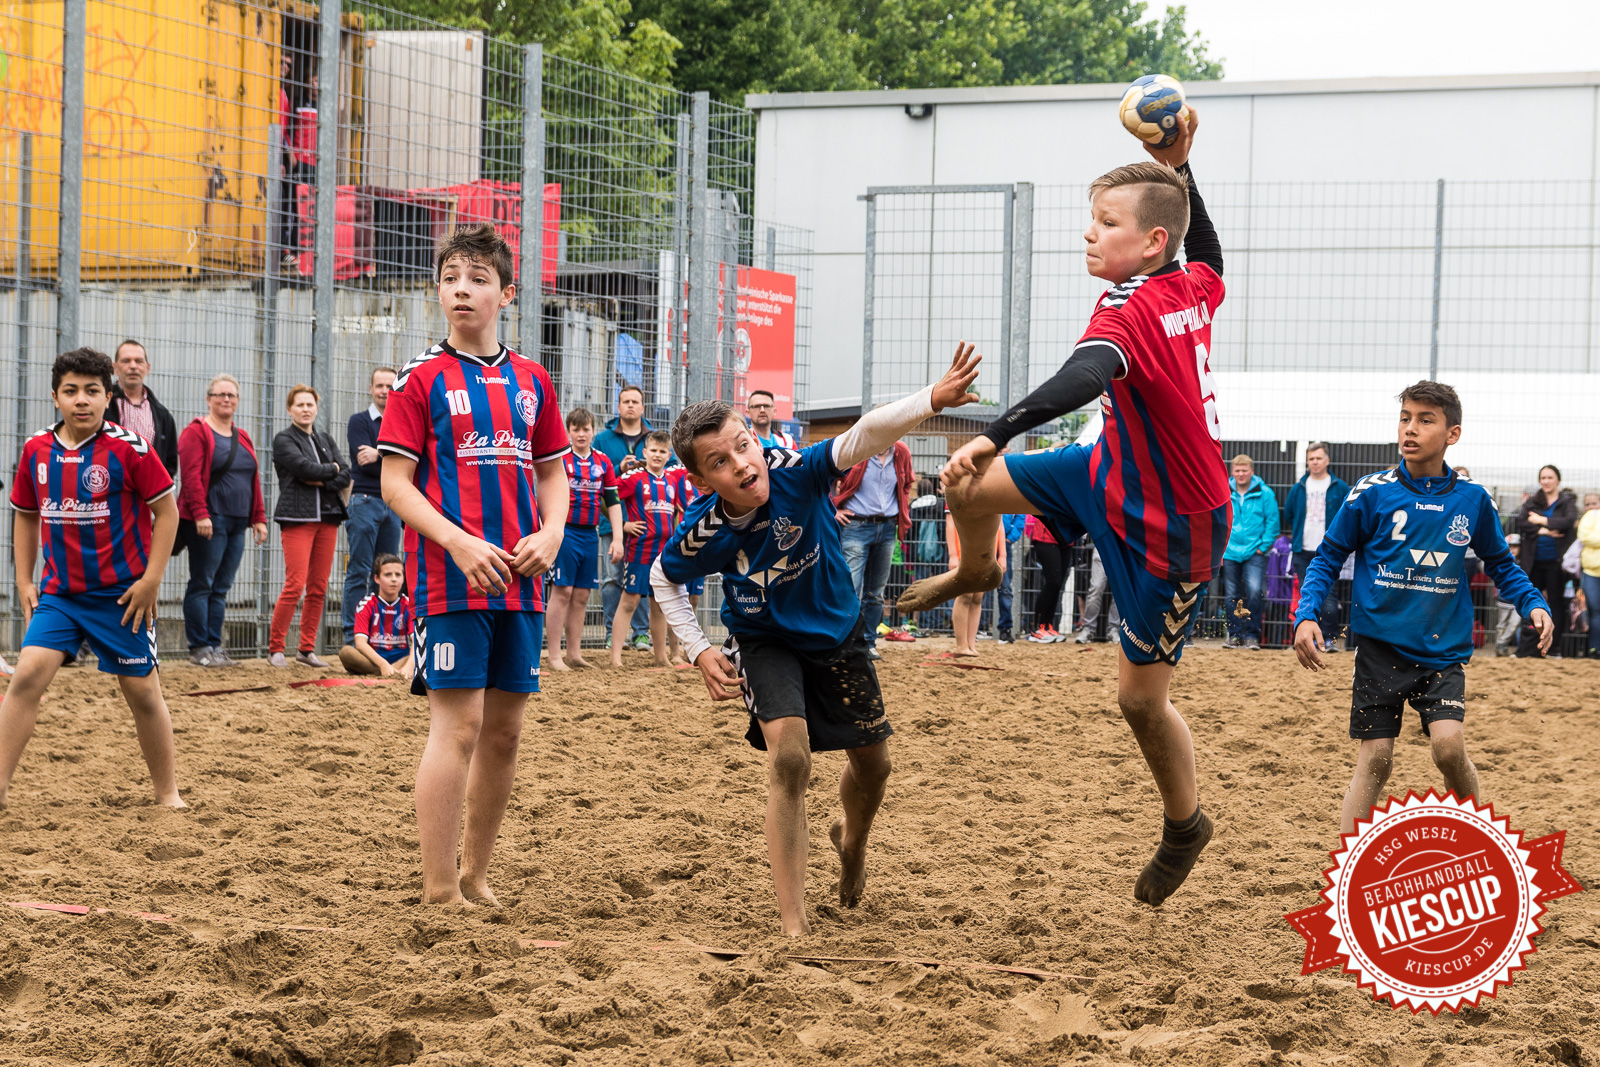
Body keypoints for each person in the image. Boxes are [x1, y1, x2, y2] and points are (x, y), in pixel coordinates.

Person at [898, 112, 1227, 907]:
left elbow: (1083, 376)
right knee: (968, 487)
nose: (1088, 234)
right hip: (1108, 468)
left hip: (1175, 526)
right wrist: (1182, 171)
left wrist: (999, 430)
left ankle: (1185, 825)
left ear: (1149, 242)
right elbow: (1208, 250)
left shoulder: (1134, 312)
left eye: (1105, 223)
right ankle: (974, 567)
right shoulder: (1186, 281)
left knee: (1139, 701)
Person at [653, 344, 982, 935]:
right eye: (720, 462)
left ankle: (851, 842)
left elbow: (864, 435)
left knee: (875, 766)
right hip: (764, 641)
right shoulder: (704, 531)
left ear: (757, 439)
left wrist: (931, 400)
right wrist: (700, 648)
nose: (742, 464)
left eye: (743, 445)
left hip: (838, 630)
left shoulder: (797, 473)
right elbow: (662, 578)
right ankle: (793, 922)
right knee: (791, 760)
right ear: (701, 479)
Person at [378, 222, 570, 906]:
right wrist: (456, 541)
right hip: (447, 579)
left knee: (506, 731)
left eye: (478, 278)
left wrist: (552, 532)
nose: (462, 288)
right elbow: (394, 484)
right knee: (457, 725)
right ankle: (437, 887)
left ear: (506, 293)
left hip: (520, 582)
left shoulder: (532, 380)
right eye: (451, 276)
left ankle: (475, 874)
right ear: (439, 289)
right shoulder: (419, 378)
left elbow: (553, 474)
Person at [1291, 382, 1553, 834]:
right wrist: (1307, 613)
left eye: (1425, 420)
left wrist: (1533, 602)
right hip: (1379, 646)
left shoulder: (1472, 499)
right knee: (1376, 761)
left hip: (1441, 648)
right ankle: (1351, 870)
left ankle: (1476, 834)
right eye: (1405, 418)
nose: (1410, 429)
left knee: (1448, 750)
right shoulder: (1370, 492)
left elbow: (1502, 565)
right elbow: (1328, 557)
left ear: (1452, 434)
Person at [0, 348, 183, 807]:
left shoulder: (130, 449)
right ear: (55, 397)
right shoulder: (35, 449)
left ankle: (168, 795)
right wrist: (25, 579)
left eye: (92, 391)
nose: (81, 400)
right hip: (60, 595)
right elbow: (25, 515)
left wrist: (151, 580)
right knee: (25, 678)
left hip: (122, 597)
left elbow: (168, 512)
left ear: (109, 397)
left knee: (142, 693)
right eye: (71, 391)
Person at [177, 373, 268, 667]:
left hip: (237, 522)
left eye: (231, 395)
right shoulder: (196, 432)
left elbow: (253, 479)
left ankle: (215, 647)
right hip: (209, 521)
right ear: (209, 399)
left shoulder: (243, 437)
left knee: (221, 586)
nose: (226, 399)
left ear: (238, 401)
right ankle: (199, 647)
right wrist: (201, 515)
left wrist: (259, 518)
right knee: (202, 583)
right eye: (220, 395)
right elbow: (190, 479)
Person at [269, 384, 350, 669]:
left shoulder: (325, 438)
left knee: (318, 587)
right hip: (297, 518)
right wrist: (332, 472)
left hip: (327, 518)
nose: (305, 409)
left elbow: (346, 472)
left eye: (310, 404)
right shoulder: (283, 440)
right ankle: (276, 648)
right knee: (295, 584)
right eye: (299, 405)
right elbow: (304, 469)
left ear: (316, 408)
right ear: (290, 409)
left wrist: (326, 476)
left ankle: (306, 649)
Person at [546, 407, 623, 671]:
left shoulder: (603, 462)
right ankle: (553, 655)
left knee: (581, 595)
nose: (581, 434)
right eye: (576, 429)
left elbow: (612, 501)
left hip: (590, 534)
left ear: (594, 431)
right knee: (562, 591)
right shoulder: (559, 458)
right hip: (564, 532)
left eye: (586, 429)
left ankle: (574, 653)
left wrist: (618, 537)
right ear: (568, 432)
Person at [832, 436, 915, 660]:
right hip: (856, 525)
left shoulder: (901, 452)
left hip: (887, 527)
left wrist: (902, 510)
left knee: (876, 593)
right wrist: (833, 509)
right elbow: (825, 477)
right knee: (851, 590)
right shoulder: (856, 450)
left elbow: (907, 483)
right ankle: (846, 643)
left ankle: (868, 644)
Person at [342, 366, 403, 646]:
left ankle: (379, 636)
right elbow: (361, 463)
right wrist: (391, 456)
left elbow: (406, 461)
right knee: (360, 570)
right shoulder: (359, 421)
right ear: (370, 389)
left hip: (393, 504)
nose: (384, 391)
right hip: (365, 501)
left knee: (387, 572)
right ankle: (352, 636)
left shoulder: (401, 421)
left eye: (389, 386)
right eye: (379, 386)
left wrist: (378, 451)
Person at [593, 385, 654, 650]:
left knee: (641, 579)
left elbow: (671, 473)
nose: (630, 405)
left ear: (642, 407)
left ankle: (641, 633)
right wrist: (619, 469)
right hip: (611, 523)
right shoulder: (602, 440)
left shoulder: (655, 439)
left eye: (635, 401)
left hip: (647, 526)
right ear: (618, 407)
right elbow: (594, 480)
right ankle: (611, 633)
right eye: (625, 401)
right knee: (612, 578)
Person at [609, 431, 676, 669]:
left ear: (669, 455)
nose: (657, 455)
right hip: (639, 550)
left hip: (664, 552)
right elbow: (608, 495)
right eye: (653, 451)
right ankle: (615, 658)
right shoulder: (634, 477)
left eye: (662, 451)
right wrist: (623, 525)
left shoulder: (671, 479)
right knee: (630, 600)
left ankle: (661, 657)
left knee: (659, 603)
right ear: (644, 453)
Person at [1285, 442, 1349, 653]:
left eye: (1318, 458)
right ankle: (1307, 639)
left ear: (1327, 461)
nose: (1314, 462)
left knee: (1329, 596)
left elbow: (1347, 515)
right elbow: (1289, 514)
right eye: (1311, 459)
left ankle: (1329, 639)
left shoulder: (1339, 487)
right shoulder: (1299, 488)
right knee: (1307, 594)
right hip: (1302, 549)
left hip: (1329, 549)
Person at [1515, 465, 1577, 658]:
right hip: (1533, 561)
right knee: (1528, 601)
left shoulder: (1566, 502)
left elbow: (1568, 521)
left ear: (1558, 480)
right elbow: (1521, 522)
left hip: (1556, 563)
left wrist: (1541, 521)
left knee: (1557, 605)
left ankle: (1553, 648)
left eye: (1550, 477)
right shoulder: (1534, 501)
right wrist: (1545, 530)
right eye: (1543, 478)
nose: (1546, 481)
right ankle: (1526, 649)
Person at [1221, 454, 1278, 650]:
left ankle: (1252, 635)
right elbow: (1218, 518)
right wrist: (1222, 546)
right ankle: (1234, 635)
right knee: (1231, 595)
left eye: (1244, 470)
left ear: (1252, 471)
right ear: (1232, 472)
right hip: (1229, 552)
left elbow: (1272, 522)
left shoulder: (1265, 493)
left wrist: (1263, 548)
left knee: (1255, 592)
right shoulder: (1223, 491)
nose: (1241, 474)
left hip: (1255, 552)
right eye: (1237, 470)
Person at [109, 340, 179, 475]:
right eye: (126, 361)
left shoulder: (162, 415)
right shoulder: (102, 406)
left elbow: (170, 462)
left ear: (147, 368)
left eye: (139, 361)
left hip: (148, 492)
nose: (133, 366)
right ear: (115, 368)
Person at [339, 553, 414, 678]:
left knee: (427, 653)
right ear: (377, 578)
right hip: (373, 660)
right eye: (388, 575)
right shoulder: (366, 604)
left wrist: (410, 666)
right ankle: (391, 671)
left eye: (398, 575)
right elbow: (360, 643)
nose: (394, 579)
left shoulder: (409, 605)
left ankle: (390, 671)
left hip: (402, 659)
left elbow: (417, 641)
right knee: (346, 652)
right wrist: (383, 664)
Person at [948, 504, 1006, 657]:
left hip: (986, 551)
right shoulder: (956, 486)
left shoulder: (993, 489)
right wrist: (953, 554)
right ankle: (962, 645)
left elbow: (999, 522)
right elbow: (950, 521)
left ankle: (971, 644)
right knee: (965, 595)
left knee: (977, 597)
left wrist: (1002, 555)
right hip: (965, 549)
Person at [665, 461, 706, 665]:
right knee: (677, 598)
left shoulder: (708, 470)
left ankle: (691, 649)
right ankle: (674, 653)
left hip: (703, 544)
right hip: (682, 543)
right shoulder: (672, 472)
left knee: (694, 601)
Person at [1024, 514, 1067, 643]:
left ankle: (1048, 625)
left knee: (1057, 584)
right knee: (1053, 582)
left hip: (1066, 538)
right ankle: (1038, 626)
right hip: (1045, 536)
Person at [1074, 541, 1122, 644]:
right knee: (1096, 587)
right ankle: (1088, 629)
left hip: (1123, 547)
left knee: (1119, 591)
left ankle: (1113, 629)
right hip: (1103, 544)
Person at [1579, 493, 1600, 659]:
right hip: (1591, 571)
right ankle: (1595, 648)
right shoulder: (1587, 517)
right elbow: (1584, 537)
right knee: (1594, 612)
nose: (1591, 506)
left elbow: (1590, 538)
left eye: (1595, 502)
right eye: (1588, 503)